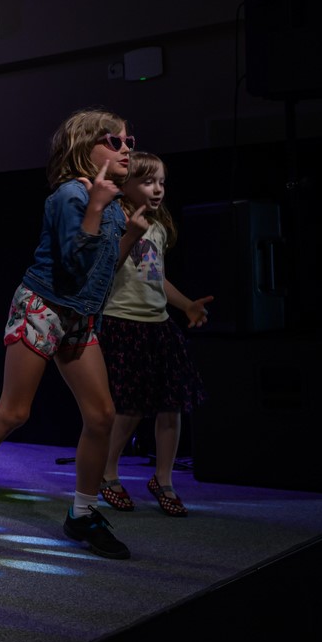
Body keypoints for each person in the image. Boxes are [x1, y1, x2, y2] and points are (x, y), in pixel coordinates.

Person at [0, 108, 139, 560]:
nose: (126, 149)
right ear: (85, 147)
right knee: (14, 412)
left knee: (102, 415)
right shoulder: (71, 195)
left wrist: (125, 224)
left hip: (79, 316)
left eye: (130, 141)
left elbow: (104, 269)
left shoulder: (110, 200)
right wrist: (97, 206)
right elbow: (72, 261)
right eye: (115, 141)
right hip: (42, 307)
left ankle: (82, 513)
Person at [96, 152, 210, 517]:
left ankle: (163, 479)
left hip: (159, 325)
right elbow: (105, 268)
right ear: (125, 184)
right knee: (128, 407)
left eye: (161, 182)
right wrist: (131, 233)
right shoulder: (113, 219)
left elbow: (155, 276)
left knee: (171, 405)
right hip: (123, 323)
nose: (157, 189)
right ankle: (107, 472)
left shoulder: (157, 227)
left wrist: (186, 304)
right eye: (148, 182)